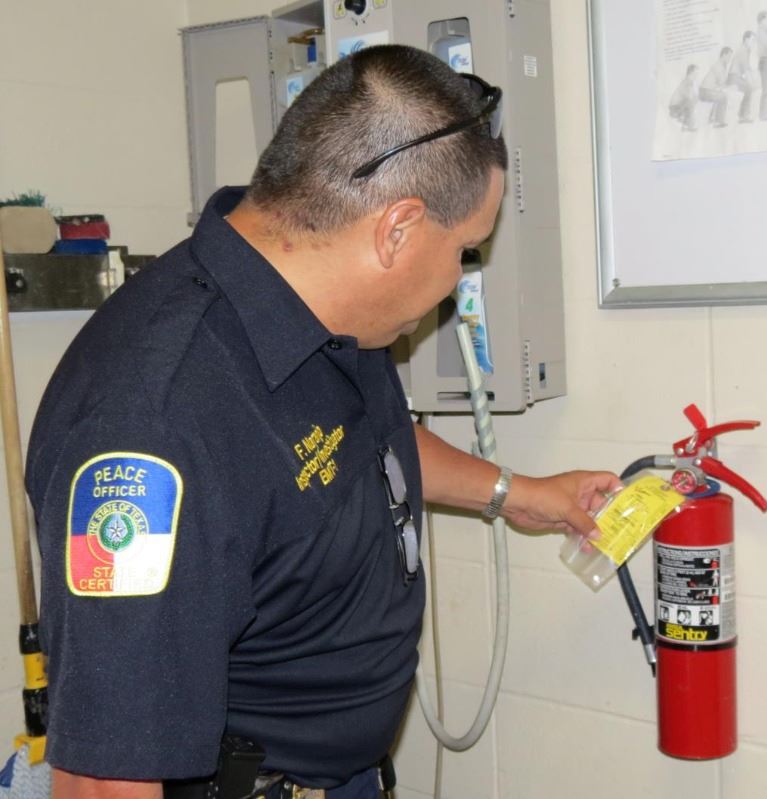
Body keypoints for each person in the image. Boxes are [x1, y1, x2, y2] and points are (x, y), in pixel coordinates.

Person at [26, 45, 619, 799]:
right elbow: (103, 780)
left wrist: (518, 493)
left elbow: (363, 445)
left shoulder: (318, 311)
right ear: (398, 229)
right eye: (464, 250)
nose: (456, 279)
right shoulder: (153, 427)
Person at [699, 47, 733, 127]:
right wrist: (730, 86)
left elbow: (721, 83)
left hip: (706, 90)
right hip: (705, 91)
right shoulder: (718, 66)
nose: (730, 59)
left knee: (720, 94)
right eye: (729, 56)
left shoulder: (722, 65)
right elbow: (722, 82)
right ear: (724, 55)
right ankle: (718, 121)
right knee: (723, 97)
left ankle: (712, 119)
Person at [727, 31, 756, 123]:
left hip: (735, 76)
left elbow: (747, 67)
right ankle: (744, 116)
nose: (753, 42)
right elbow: (745, 68)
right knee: (749, 88)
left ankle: (742, 115)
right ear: (746, 39)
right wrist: (750, 80)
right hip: (734, 77)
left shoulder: (745, 49)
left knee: (749, 88)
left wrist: (751, 76)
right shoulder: (743, 50)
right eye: (752, 40)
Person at [668, 64, 699, 131]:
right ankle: (687, 125)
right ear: (691, 72)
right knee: (690, 103)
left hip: (676, 106)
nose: (697, 75)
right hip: (675, 108)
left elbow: (692, 96)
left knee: (691, 102)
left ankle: (686, 125)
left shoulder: (688, 81)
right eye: (696, 73)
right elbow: (689, 97)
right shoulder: (688, 82)